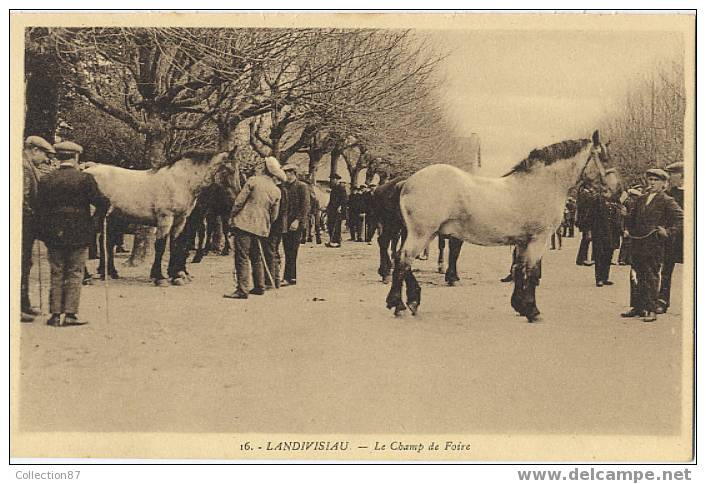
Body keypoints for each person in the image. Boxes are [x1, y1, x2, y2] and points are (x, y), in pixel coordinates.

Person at [35, 141, 108, 327]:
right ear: (76, 157)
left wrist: (43, 231)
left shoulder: (46, 179)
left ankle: (54, 315)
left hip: (54, 232)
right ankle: (70, 314)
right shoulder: (85, 179)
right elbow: (101, 202)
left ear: (58, 157)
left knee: (57, 271)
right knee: (75, 272)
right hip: (79, 230)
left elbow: (39, 208)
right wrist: (99, 215)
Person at [621, 168, 683, 322]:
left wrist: (668, 231)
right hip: (638, 242)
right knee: (635, 274)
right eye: (650, 180)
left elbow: (681, 219)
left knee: (651, 274)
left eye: (656, 180)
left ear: (663, 183)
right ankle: (637, 306)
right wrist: (624, 217)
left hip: (654, 244)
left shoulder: (667, 200)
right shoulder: (641, 199)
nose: (652, 183)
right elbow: (632, 219)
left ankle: (651, 309)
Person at [224, 156, 285, 300]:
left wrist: (232, 216)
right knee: (256, 256)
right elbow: (274, 215)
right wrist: (264, 223)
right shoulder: (276, 190)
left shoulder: (253, 181)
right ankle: (259, 286)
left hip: (244, 223)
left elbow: (239, 202)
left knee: (242, 256)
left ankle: (242, 289)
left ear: (264, 168)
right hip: (261, 227)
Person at [21, 136, 56, 322]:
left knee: (26, 263)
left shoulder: (29, 166)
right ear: (34, 150)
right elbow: (23, 199)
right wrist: (35, 220)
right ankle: (16, 306)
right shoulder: (23, 167)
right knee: (20, 264)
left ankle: (23, 304)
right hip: (23, 225)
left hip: (26, 224)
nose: (45, 159)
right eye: (44, 154)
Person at [657, 162, 685, 314]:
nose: (668, 177)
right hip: (671, 239)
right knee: (666, 271)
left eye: (671, 174)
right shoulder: (669, 194)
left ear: (681, 175)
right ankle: (662, 301)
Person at [587, 183, 622, 287]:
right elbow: (590, 217)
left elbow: (618, 218)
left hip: (612, 233)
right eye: (606, 190)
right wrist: (588, 231)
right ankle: (599, 279)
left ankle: (605, 277)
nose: (608, 192)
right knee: (599, 255)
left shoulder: (615, 201)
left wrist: (621, 230)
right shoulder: (596, 201)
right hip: (599, 233)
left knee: (608, 255)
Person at [281, 164, 310, 286]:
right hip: (285, 223)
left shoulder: (301, 186)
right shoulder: (284, 187)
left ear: (293, 173)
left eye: (287, 173)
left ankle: (290, 277)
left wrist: (298, 220)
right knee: (287, 250)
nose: (286, 175)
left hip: (296, 223)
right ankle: (290, 277)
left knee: (292, 250)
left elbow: (305, 206)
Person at [262, 175, 288, 289]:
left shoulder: (277, 190)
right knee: (274, 251)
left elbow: (275, 212)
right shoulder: (283, 190)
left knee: (269, 252)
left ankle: (270, 281)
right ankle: (276, 280)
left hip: (274, 226)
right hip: (279, 226)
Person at [575, 182, 595, 266]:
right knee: (586, 239)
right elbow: (587, 210)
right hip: (587, 221)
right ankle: (582, 259)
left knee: (585, 239)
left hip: (584, 220)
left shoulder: (582, 194)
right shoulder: (586, 195)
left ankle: (582, 258)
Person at [326, 175, 348, 248]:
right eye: (331, 179)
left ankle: (336, 241)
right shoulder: (334, 188)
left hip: (338, 210)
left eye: (333, 179)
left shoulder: (341, 188)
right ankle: (332, 240)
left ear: (337, 180)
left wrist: (341, 207)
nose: (332, 181)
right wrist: (327, 208)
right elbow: (331, 200)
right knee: (330, 224)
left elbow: (344, 199)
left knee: (336, 225)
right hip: (332, 209)